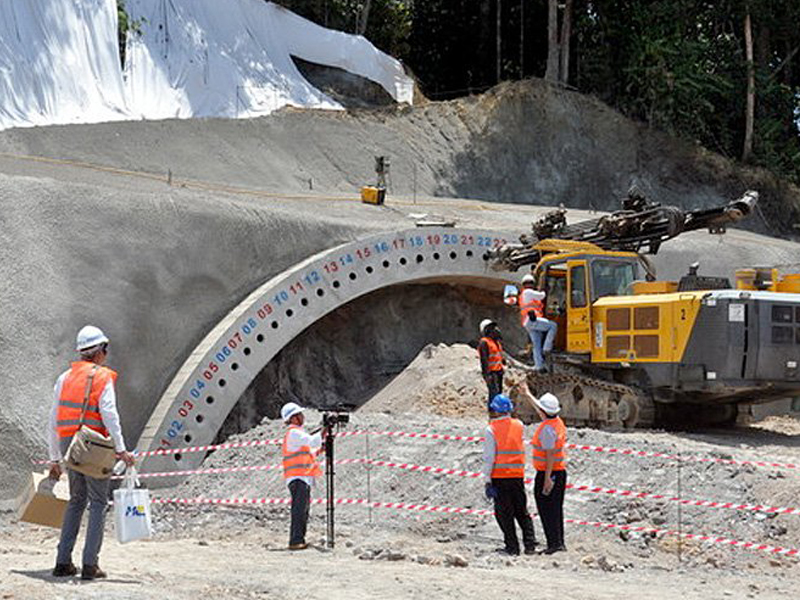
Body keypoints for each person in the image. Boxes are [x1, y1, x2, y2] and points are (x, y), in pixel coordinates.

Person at [48, 325, 135, 580]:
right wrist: (121, 449)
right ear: (100, 351)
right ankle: (90, 565)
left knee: (76, 500)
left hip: (70, 446)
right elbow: (110, 415)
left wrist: (54, 458)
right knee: (98, 502)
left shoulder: (64, 378)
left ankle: (62, 562)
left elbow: (52, 420)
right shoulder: (102, 377)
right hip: (94, 446)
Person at [482, 394, 537, 556]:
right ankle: (530, 544)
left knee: (504, 514)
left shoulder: (491, 429)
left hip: (500, 477)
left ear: (495, 410)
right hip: (517, 475)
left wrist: (487, 480)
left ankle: (512, 547)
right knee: (521, 511)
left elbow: (489, 457)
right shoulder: (519, 425)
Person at [523, 385, 568, 554]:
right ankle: (558, 542)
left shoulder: (547, 429)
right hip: (559, 471)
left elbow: (549, 455)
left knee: (547, 509)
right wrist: (528, 395)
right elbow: (542, 411)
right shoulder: (556, 422)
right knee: (556, 508)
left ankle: (554, 544)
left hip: (548, 473)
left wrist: (547, 479)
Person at [281, 402, 326, 550]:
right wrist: (325, 429)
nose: (302, 417)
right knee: (299, 510)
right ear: (293, 418)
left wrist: (320, 450)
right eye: (299, 414)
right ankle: (295, 541)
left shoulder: (297, 433)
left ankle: (299, 539)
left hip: (302, 478)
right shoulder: (294, 432)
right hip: (298, 478)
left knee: (303, 510)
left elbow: (308, 453)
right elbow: (312, 441)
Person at [518, 273, 557, 372]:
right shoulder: (528, 292)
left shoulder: (525, 294)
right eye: (530, 283)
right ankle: (547, 348)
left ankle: (539, 366)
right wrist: (544, 288)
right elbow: (542, 296)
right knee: (552, 326)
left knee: (536, 344)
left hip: (528, 322)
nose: (530, 285)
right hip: (532, 320)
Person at [477, 319, 505, 407]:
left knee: (499, 392)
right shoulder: (484, 342)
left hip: (498, 372)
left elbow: (499, 356)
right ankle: (492, 411)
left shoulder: (496, 342)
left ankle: (498, 411)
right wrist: (487, 375)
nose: (495, 329)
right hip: (491, 373)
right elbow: (484, 360)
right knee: (493, 394)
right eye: (492, 328)